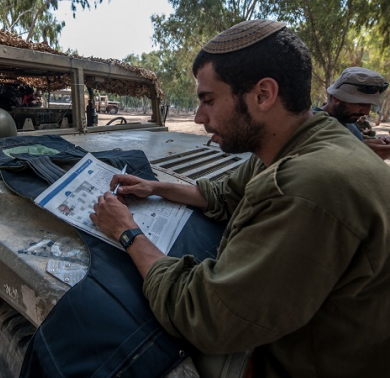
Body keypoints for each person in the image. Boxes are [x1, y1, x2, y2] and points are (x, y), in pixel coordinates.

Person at [90, 19, 390, 377]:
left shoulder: (306, 186)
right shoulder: (303, 139)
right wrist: (155, 187)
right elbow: (226, 194)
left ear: (263, 95)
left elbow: (206, 318)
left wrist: (128, 233)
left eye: (209, 100)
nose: (200, 116)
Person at [317, 66, 390, 159]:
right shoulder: (311, 126)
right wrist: (362, 154)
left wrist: (379, 146)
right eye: (361, 104)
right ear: (337, 97)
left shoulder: (348, 120)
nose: (366, 112)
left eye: (369, 105)